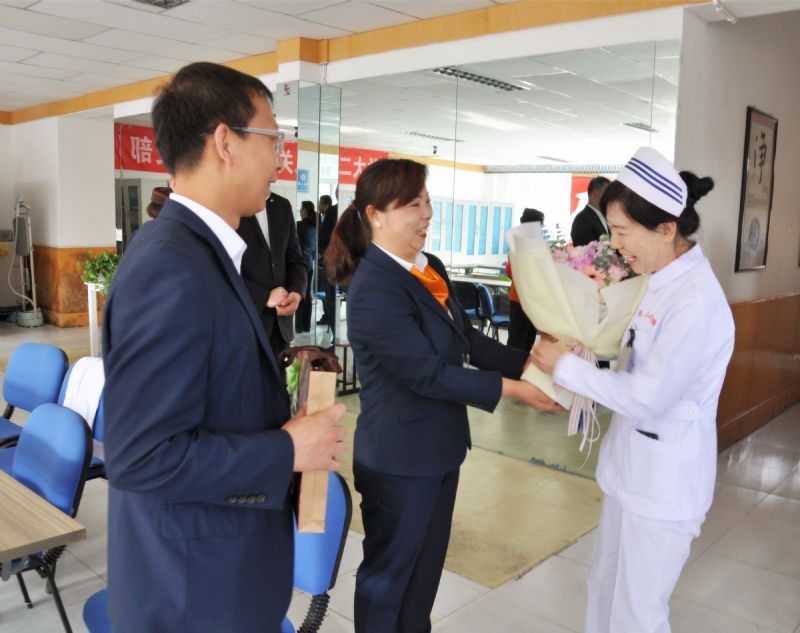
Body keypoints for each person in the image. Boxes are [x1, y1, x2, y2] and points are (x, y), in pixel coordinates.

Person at [102, 61, 346, 633]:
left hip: (215, 574)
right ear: (224, 142)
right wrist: (285, 450)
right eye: (273, 139)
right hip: (194, 593)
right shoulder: (170, 265)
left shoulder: (204, 252)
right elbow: (141, 455)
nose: (281, 159)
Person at [325, 158, 561, 633]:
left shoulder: (428, 267)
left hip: (439, 450)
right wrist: (515, 390)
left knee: (424, 575)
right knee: (388, 579)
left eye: (427, 201)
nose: (427, 213)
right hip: (398, 459)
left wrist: (534, 363)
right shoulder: (373, 287)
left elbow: (467, 340)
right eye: (413, 204)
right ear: (375, 215)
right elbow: (426, 375)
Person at [533, 147, 734, 633]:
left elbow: (647, 395)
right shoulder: (657, 281)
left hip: (665, 484)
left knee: (637, 615)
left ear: (665, 229)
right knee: (603, 587)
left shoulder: (694, 301)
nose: (615, 244)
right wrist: (588, 351)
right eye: (612, 231)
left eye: (622, 232)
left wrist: (565, 368)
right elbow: (633, 358)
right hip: (631, 472)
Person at [238, 189, 307, 356]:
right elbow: (219, 268)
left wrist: (296, 293)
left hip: (281, 328)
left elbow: (296, 259)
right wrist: (263, 297)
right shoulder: (228, 203)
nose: (276, 176)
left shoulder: (282, 205)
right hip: (245, 325)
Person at [505, 207, 543, 351]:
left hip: (531, 300)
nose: (540, 229)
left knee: (527, 340)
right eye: (539, 225)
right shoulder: (519, 244)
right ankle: (512, 365)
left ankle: (521, 365)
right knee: (517, 342)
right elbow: (515, 271)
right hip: (520, 300)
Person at [317, 192, 338, 333]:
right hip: (344, 260)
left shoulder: (332, 211)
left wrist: (321, 252)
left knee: (330, 294)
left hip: (332, 258)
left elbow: (324, 235)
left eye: (320, 203)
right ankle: (330, 321)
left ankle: (332, 325)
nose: (319, 206)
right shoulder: (348, 210)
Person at [295, 200, 317, 333]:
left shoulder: (299, 225)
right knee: (307, 294)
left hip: (300, 265)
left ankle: (299, 326)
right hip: (310, 264)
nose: (300, 210)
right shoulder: (315, 225)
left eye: (301, 208)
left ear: (304, 210)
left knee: (299, 294)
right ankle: (306, 326)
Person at [571, 176, 610, 246]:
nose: (611, 197)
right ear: (596, 193)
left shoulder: (606, 216)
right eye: (608, 193)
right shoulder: (582, 219)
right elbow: (586, 250)